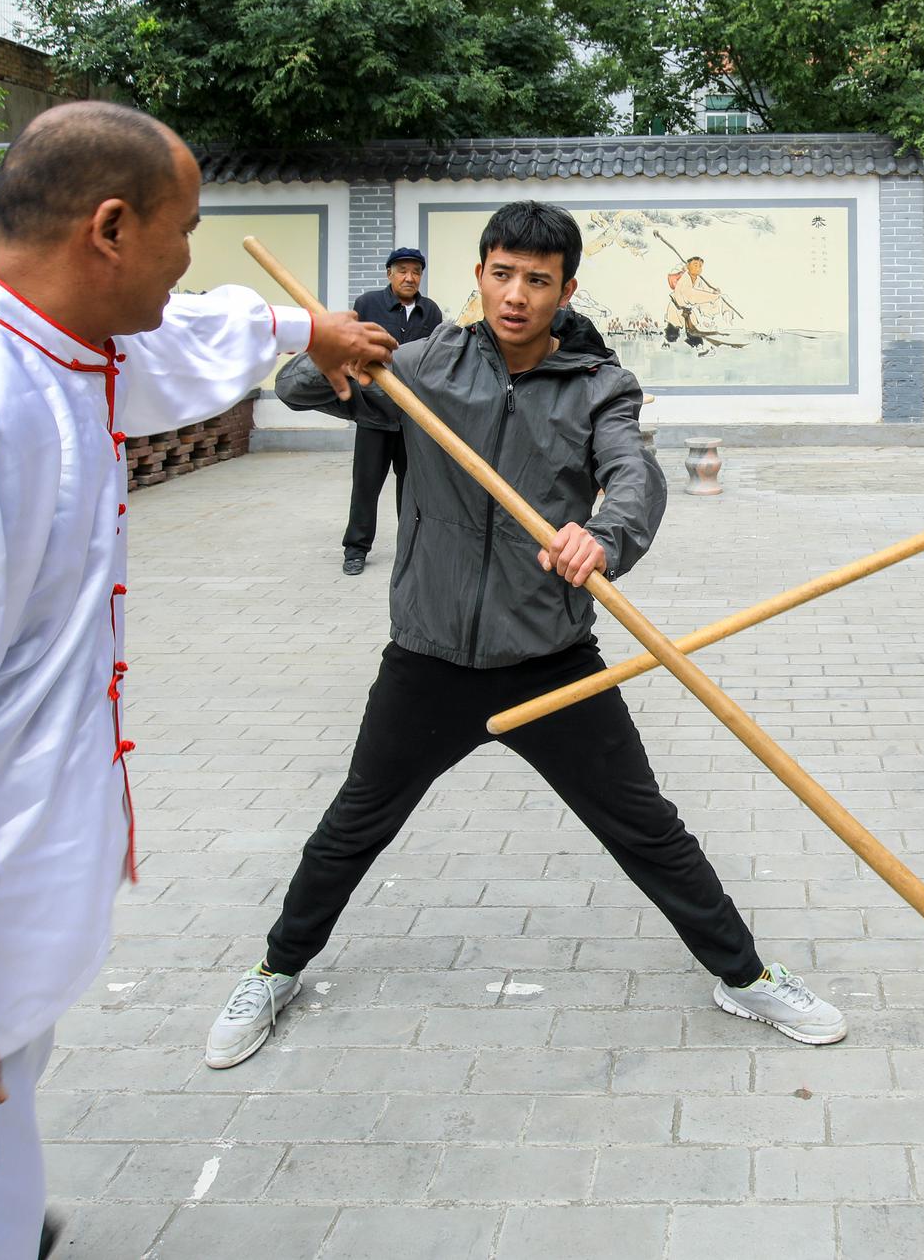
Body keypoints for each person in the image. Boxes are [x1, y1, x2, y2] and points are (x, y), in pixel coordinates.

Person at [0, 101, 394, 1260]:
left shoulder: (52, 342)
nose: (189, 260)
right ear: (110, 228)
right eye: (182, 232)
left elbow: (169, 342)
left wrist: (303, 328)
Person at [205, 200, 844, 1069]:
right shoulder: (427, 364)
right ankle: (276, 968)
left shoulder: (596, 385)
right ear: (478, 276)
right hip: (427, 656)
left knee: (647, 828)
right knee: (353, 826)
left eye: (537, 280)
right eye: (501, 274)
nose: (515, 295)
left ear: (565, 288)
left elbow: (633, 475)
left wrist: (604, 535)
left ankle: (745, 974)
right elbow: (298, 389)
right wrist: (330, 342)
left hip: (549, 659)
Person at [341, 248, 441, 574]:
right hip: (374, 414)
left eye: (416, 271)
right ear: (389, 274)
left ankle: (410, 548)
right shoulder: (368, 305)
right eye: (402, 271)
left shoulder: (430, 312)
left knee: (412, 487)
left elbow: (435, 360)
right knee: (366, 484)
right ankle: (355, 549)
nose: (409, 277)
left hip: (411, 417)